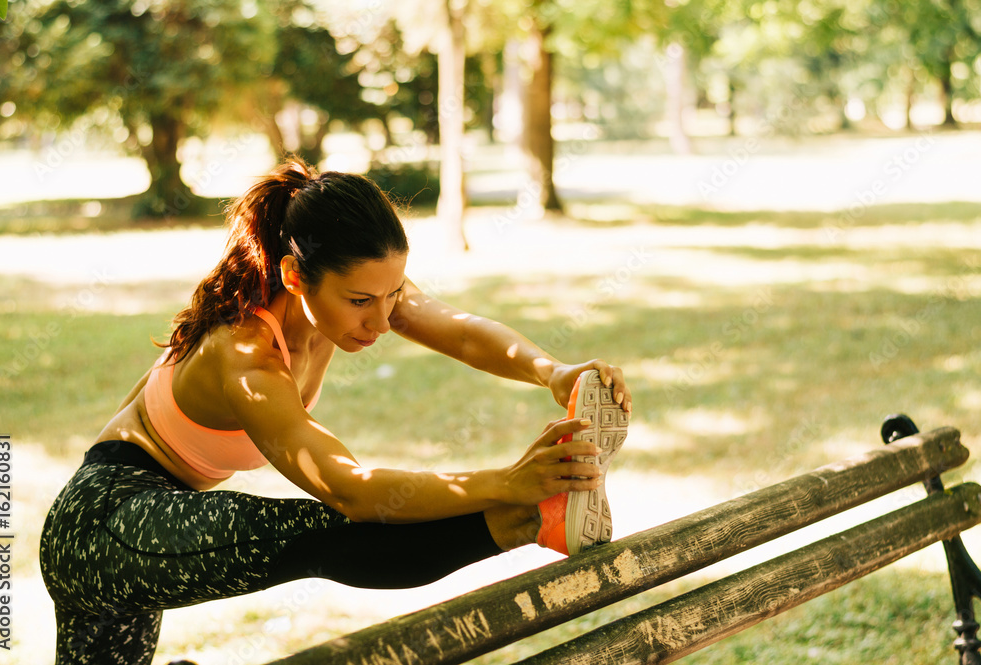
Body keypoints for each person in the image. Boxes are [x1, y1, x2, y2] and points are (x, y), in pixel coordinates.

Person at [39, 159, 632, 665]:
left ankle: (536, 515)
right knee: (329, 533)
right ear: (296, 276)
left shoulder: (359, 287)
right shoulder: (245, 356)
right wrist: (504, 483)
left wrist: (552, 371)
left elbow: (462, 332)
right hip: (105, 522)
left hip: (159, 516)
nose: (381, 320)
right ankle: (533, 519)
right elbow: (351, 489)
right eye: (361, 303)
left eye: (394, 295)